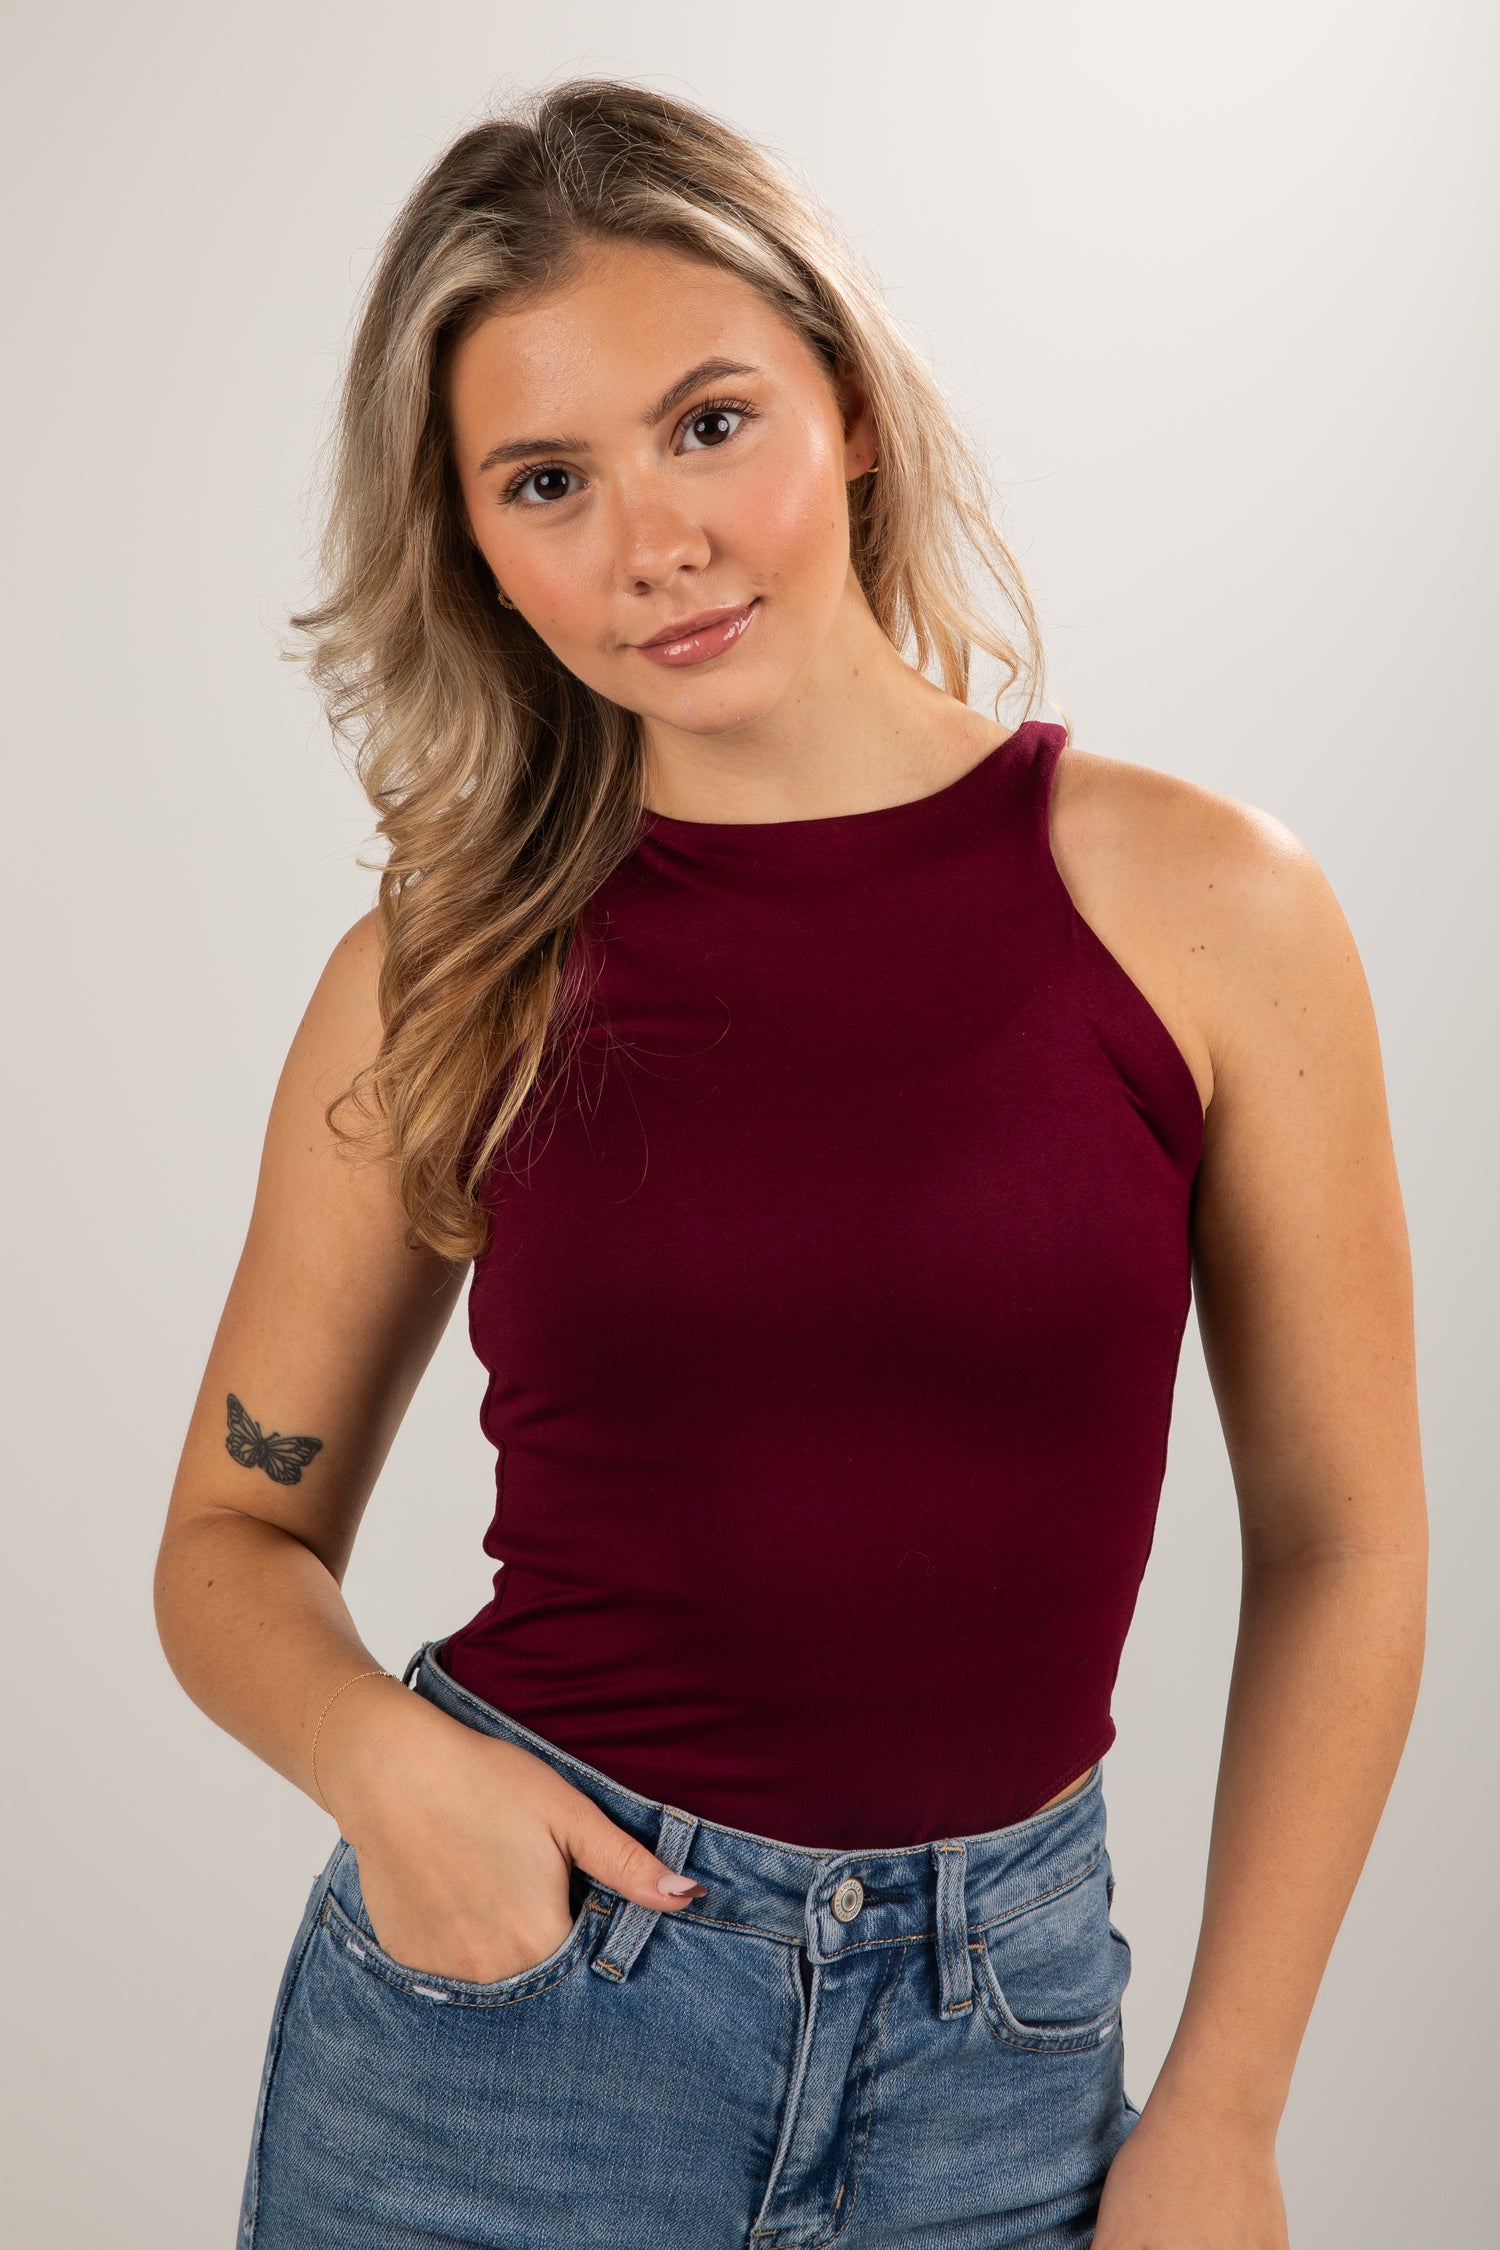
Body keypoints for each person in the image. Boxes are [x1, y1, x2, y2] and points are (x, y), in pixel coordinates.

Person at [153, 77, 1427, 2250]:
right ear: (468, 538)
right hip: (512, 2034)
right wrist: (395, 1773)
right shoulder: (446, 971)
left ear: (841, 399)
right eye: (545, 478)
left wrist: (1223, 2110)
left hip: (1002, 2048)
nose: (650, 540)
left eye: (708, 422)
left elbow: (1344, 1543)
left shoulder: (1207, 904)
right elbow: (228, 1544)